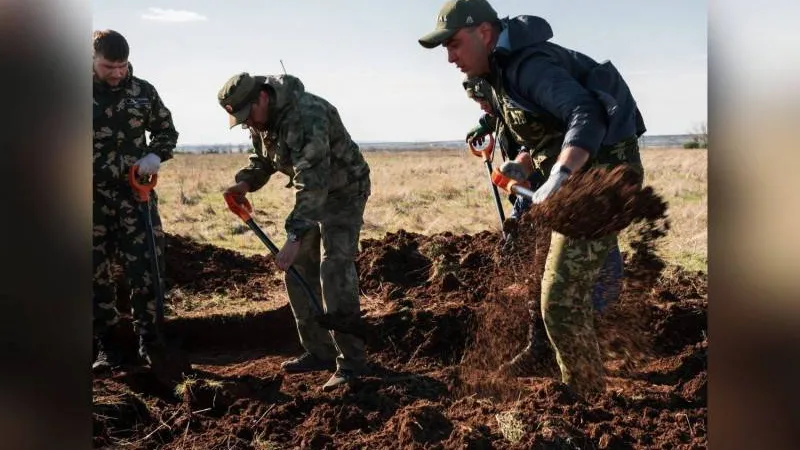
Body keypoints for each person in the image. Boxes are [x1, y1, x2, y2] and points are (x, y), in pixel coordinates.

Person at [420, 0, 646, 397]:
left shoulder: (529, 66)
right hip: (573, 180)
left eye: (454, 44)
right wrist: (522, 166)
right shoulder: (499, 74)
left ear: (484, 34)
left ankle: (586, 398)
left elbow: (585, 113)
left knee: (560, 300)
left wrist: (560, 174)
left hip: (600, 183)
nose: (450, 57)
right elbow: (536, 132)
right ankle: (550, 354)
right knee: (542, 276)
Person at [218, 72, 371, 392]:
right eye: (242, 121)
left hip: (343, 192)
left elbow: (313, 181)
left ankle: (352, 361)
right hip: (313, 195)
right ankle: (319, 351)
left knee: (334, 268)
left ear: (262, 97)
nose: (249, 126)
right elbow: (263, 159)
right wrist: (245, 182)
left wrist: (293, 237)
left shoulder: (306, 116)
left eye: (249, 117)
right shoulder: (262, 121)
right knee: (297, 267)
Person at [92, 29, 179, 372]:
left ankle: (151, 341)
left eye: (122, 66)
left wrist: (155, 155)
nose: (116, 73)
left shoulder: (143, 92)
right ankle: (107, 346)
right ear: (92, 60)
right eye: (108, 66)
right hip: (89, 199)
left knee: (146, 268)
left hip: (135, 196)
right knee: (93, 274)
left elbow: (166, 131)